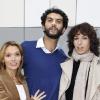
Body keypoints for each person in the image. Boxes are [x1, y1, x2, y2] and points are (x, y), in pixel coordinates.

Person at [21, 7, 68, 100]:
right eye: (50, 20)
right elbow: (8, 76)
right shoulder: (26, 48)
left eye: (58, 21)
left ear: (63, 30)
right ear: (43, 26)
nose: (54, 23)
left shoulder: (64, 59)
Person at [58, 22, 100, 100]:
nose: (79, 43)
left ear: (91, 41)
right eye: (76, 38)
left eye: (84, 38)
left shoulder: (98, 65)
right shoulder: (66, 64)